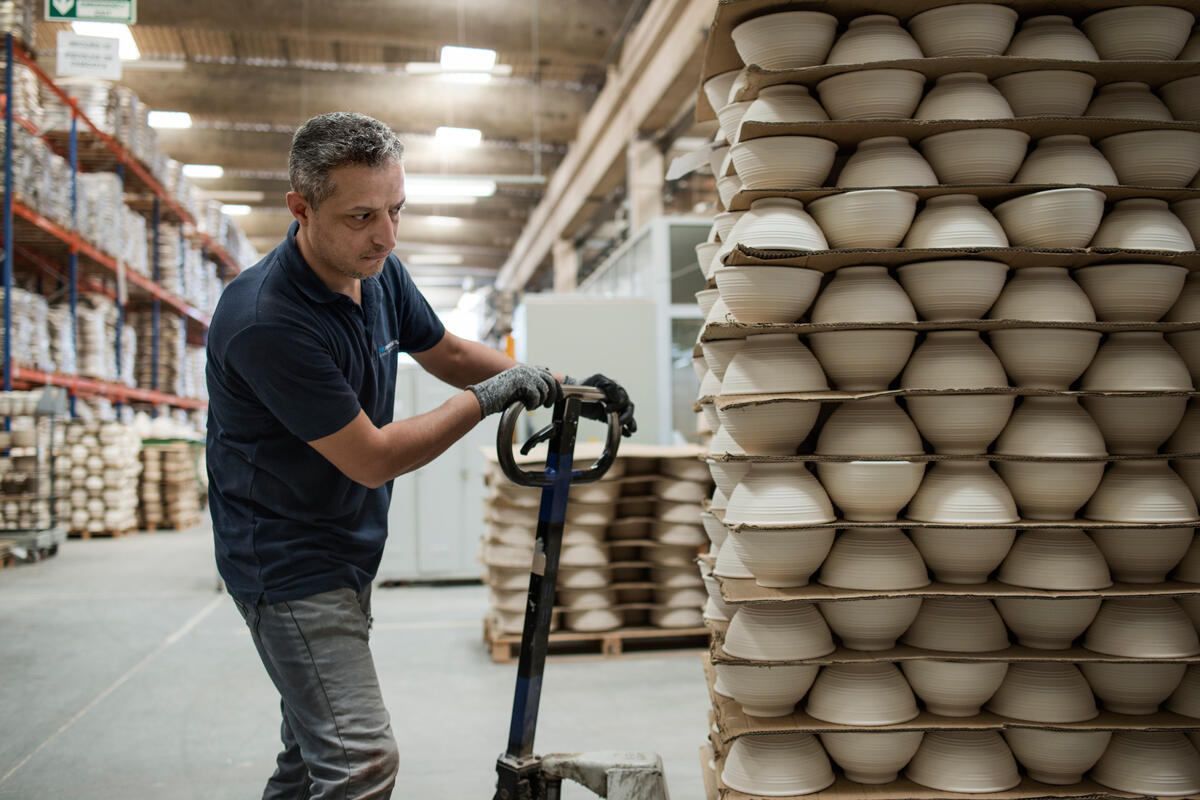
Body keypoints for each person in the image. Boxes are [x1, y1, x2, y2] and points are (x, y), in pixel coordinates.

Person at [205, 111, 636, 800]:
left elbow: (450, 353)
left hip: (348, 542)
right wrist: (489, 399)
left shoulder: (378, 273)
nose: (386, 234)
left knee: (309, 759)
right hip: (286, 562)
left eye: (396, 210)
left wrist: (563, 385)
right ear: (300, 208)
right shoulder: (266, 320)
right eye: (361, 216)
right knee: (360, 761)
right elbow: (372, 458)